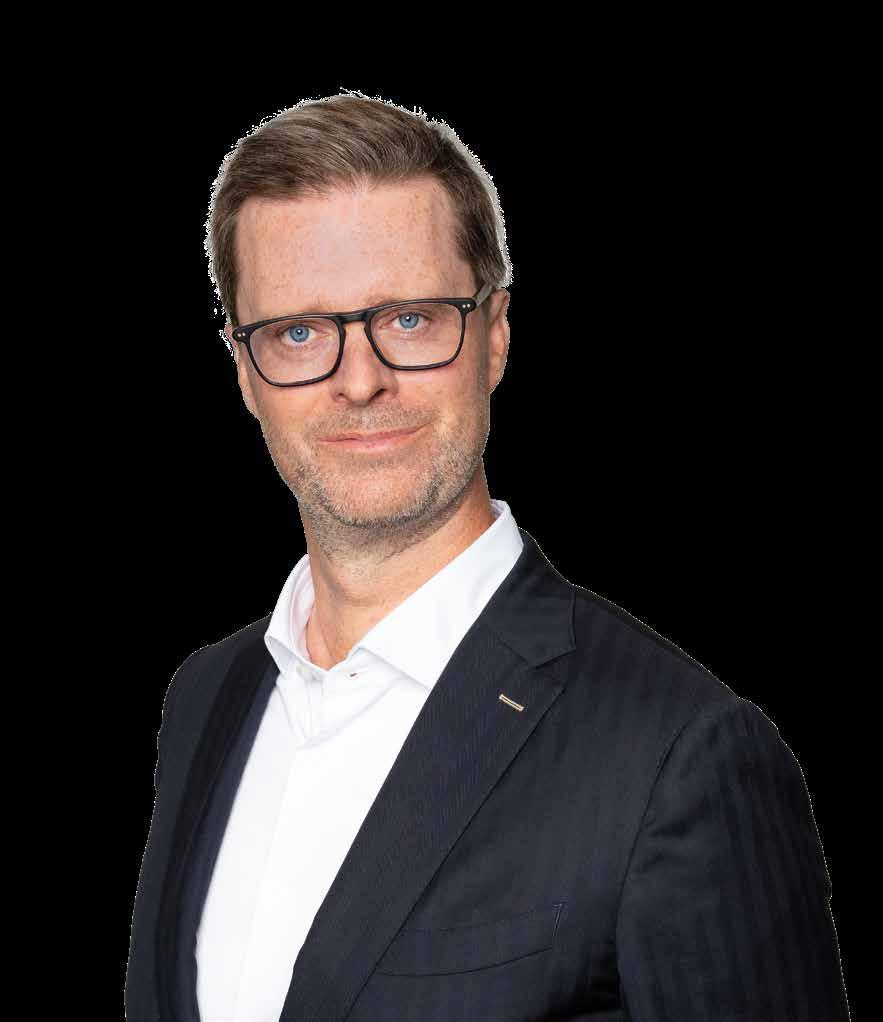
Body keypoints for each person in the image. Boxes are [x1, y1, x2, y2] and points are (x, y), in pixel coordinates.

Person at [125, 92, 848, 1022]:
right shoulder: (204, 698)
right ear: (242, 368)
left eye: (411, 319)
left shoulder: (681, 756)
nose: (359, 380)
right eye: (297, 333)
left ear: (494, 333)